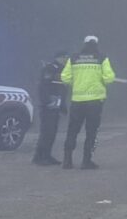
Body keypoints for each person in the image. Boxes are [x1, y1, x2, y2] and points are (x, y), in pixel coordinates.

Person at [60, 37, 115, 169]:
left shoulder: (73, 58)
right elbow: (109, 78)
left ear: (83, 44)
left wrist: (76, 83)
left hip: (77, 101)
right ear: (96, 44)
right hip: (95, 101)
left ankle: (67, 160)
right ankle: (86, 160)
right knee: (92, 132)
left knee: (72, 130)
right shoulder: (102, 58)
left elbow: (65, 77)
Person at [32, 50, 69, 166]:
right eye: (64, 57)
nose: (66, 59)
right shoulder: (50, 68)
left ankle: (46, 155)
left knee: (52, 132)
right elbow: (43, 87)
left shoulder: (63, 70)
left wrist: (63, 105)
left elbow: (62, 90)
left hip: (56, 106)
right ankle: (40, 157)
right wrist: (47, 101)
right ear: (59, 57)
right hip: (48, 106)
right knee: (47, 132)